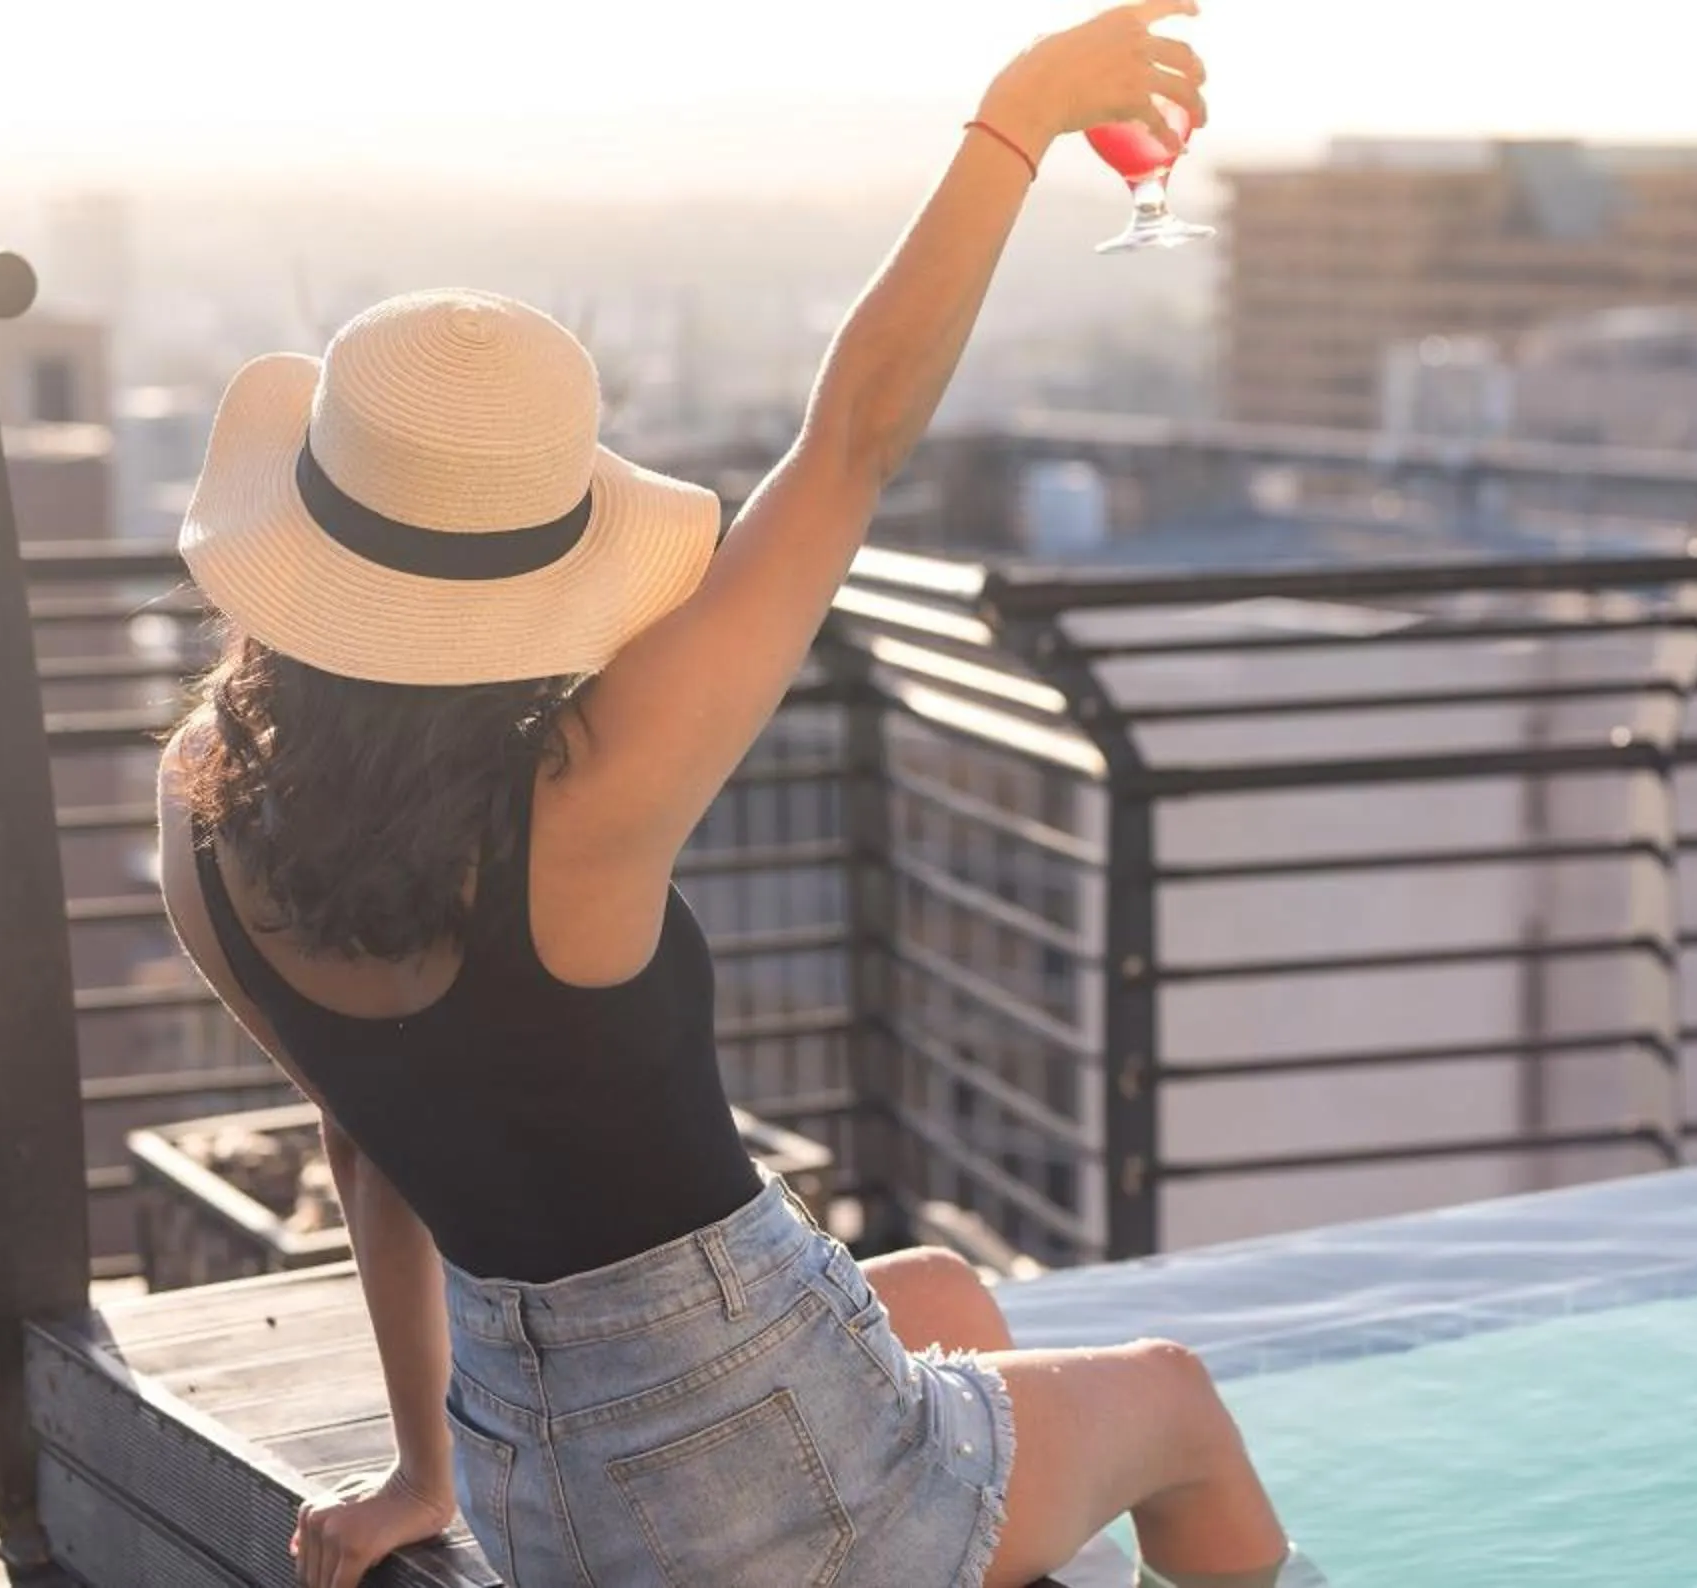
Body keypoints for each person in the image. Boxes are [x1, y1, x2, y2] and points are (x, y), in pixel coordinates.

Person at [154, 7, 1296, 1584]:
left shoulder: (203, 813)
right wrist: (1014, 121)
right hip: (757, 1480)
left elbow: (368, 1150)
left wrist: (429, 1475)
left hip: (536, 1469)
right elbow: (854, 440)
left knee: (949, 1296)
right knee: (1172, 1399)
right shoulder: (582, 805)